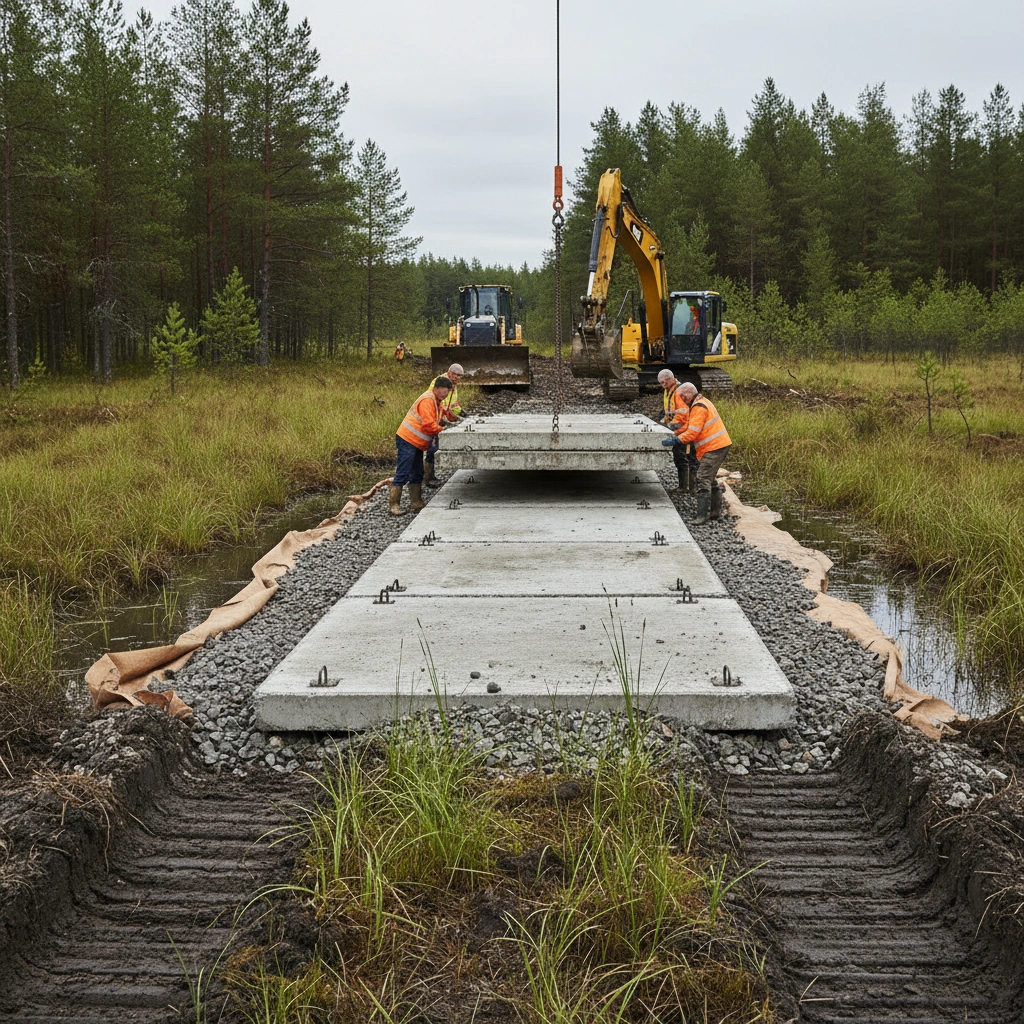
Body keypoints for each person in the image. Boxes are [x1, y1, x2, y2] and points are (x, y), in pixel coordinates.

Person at [661, 381, 731, 523]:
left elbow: (692, 433)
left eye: (682, 396)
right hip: (717, 445)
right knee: (709, 478)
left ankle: (702, 516)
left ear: (688, 394)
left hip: (715, 446)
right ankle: (715, 513)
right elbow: (688, 426)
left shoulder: (699, 407)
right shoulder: (700, 403)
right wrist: (676, 433)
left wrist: (676, 440)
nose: (681, 399)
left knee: (702, 477)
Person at [391, 377, 452, 516]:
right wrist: (445, 431)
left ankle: (417, 502)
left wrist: (451, 418)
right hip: (408, 439)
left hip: (417, 442)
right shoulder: (427, 401)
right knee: (403, 471)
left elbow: (442, 416)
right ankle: (394, 504)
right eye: (444, 392)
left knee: (417, 472)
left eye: (447, 393)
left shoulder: (436, 402)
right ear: (436, 388)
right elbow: (429, 425)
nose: (445, 396)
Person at [423, 363, 464, 488]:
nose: (457, 377)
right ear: (449, 372)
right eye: (456, 374)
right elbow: (437, 401)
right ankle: (428, 477)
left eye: (460, 376)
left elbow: (453, 403)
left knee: (435, 447)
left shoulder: (453, 385)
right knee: (432, 449)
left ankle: (431, 475)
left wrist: (461, 412)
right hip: (434, 420)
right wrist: (444, 419)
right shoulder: (440, 382)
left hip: (441, 418)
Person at [657, 369, 697, 493]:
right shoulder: (668, 390)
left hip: (684, 430)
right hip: (677, 428)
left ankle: (689, 487)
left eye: (664, 382)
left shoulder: (679, 392)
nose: (663, 385)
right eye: (661, 383)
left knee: (684, 458)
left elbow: (683, 414)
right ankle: (686, 486)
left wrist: (670, 428)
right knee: (679, 457)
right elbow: (669, 410)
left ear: (670, 379)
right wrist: (662, 421)